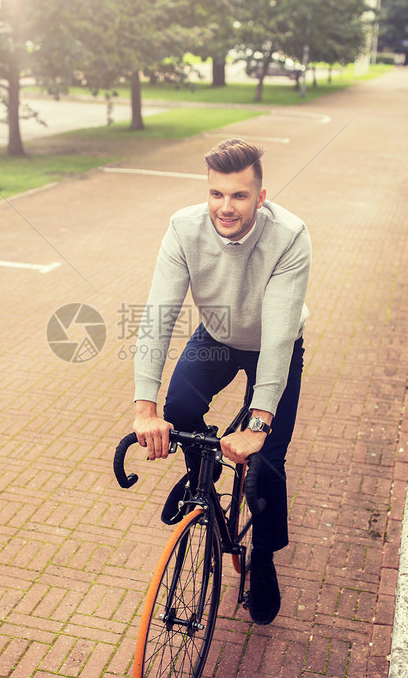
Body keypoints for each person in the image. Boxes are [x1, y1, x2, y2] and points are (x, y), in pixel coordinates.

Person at [131, 138, 311, 626]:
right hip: (217, 334)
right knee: (180, 413)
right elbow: (158, 314)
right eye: (216, 194)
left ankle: (265, 560)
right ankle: (203, 481)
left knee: (266, 463)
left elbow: (276, 337)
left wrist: (257, 422)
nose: (225, 207)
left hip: (275, 345)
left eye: (239, 196)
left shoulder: (290, 236)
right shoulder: (183, 228)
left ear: (261, 195)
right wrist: (145, 407)